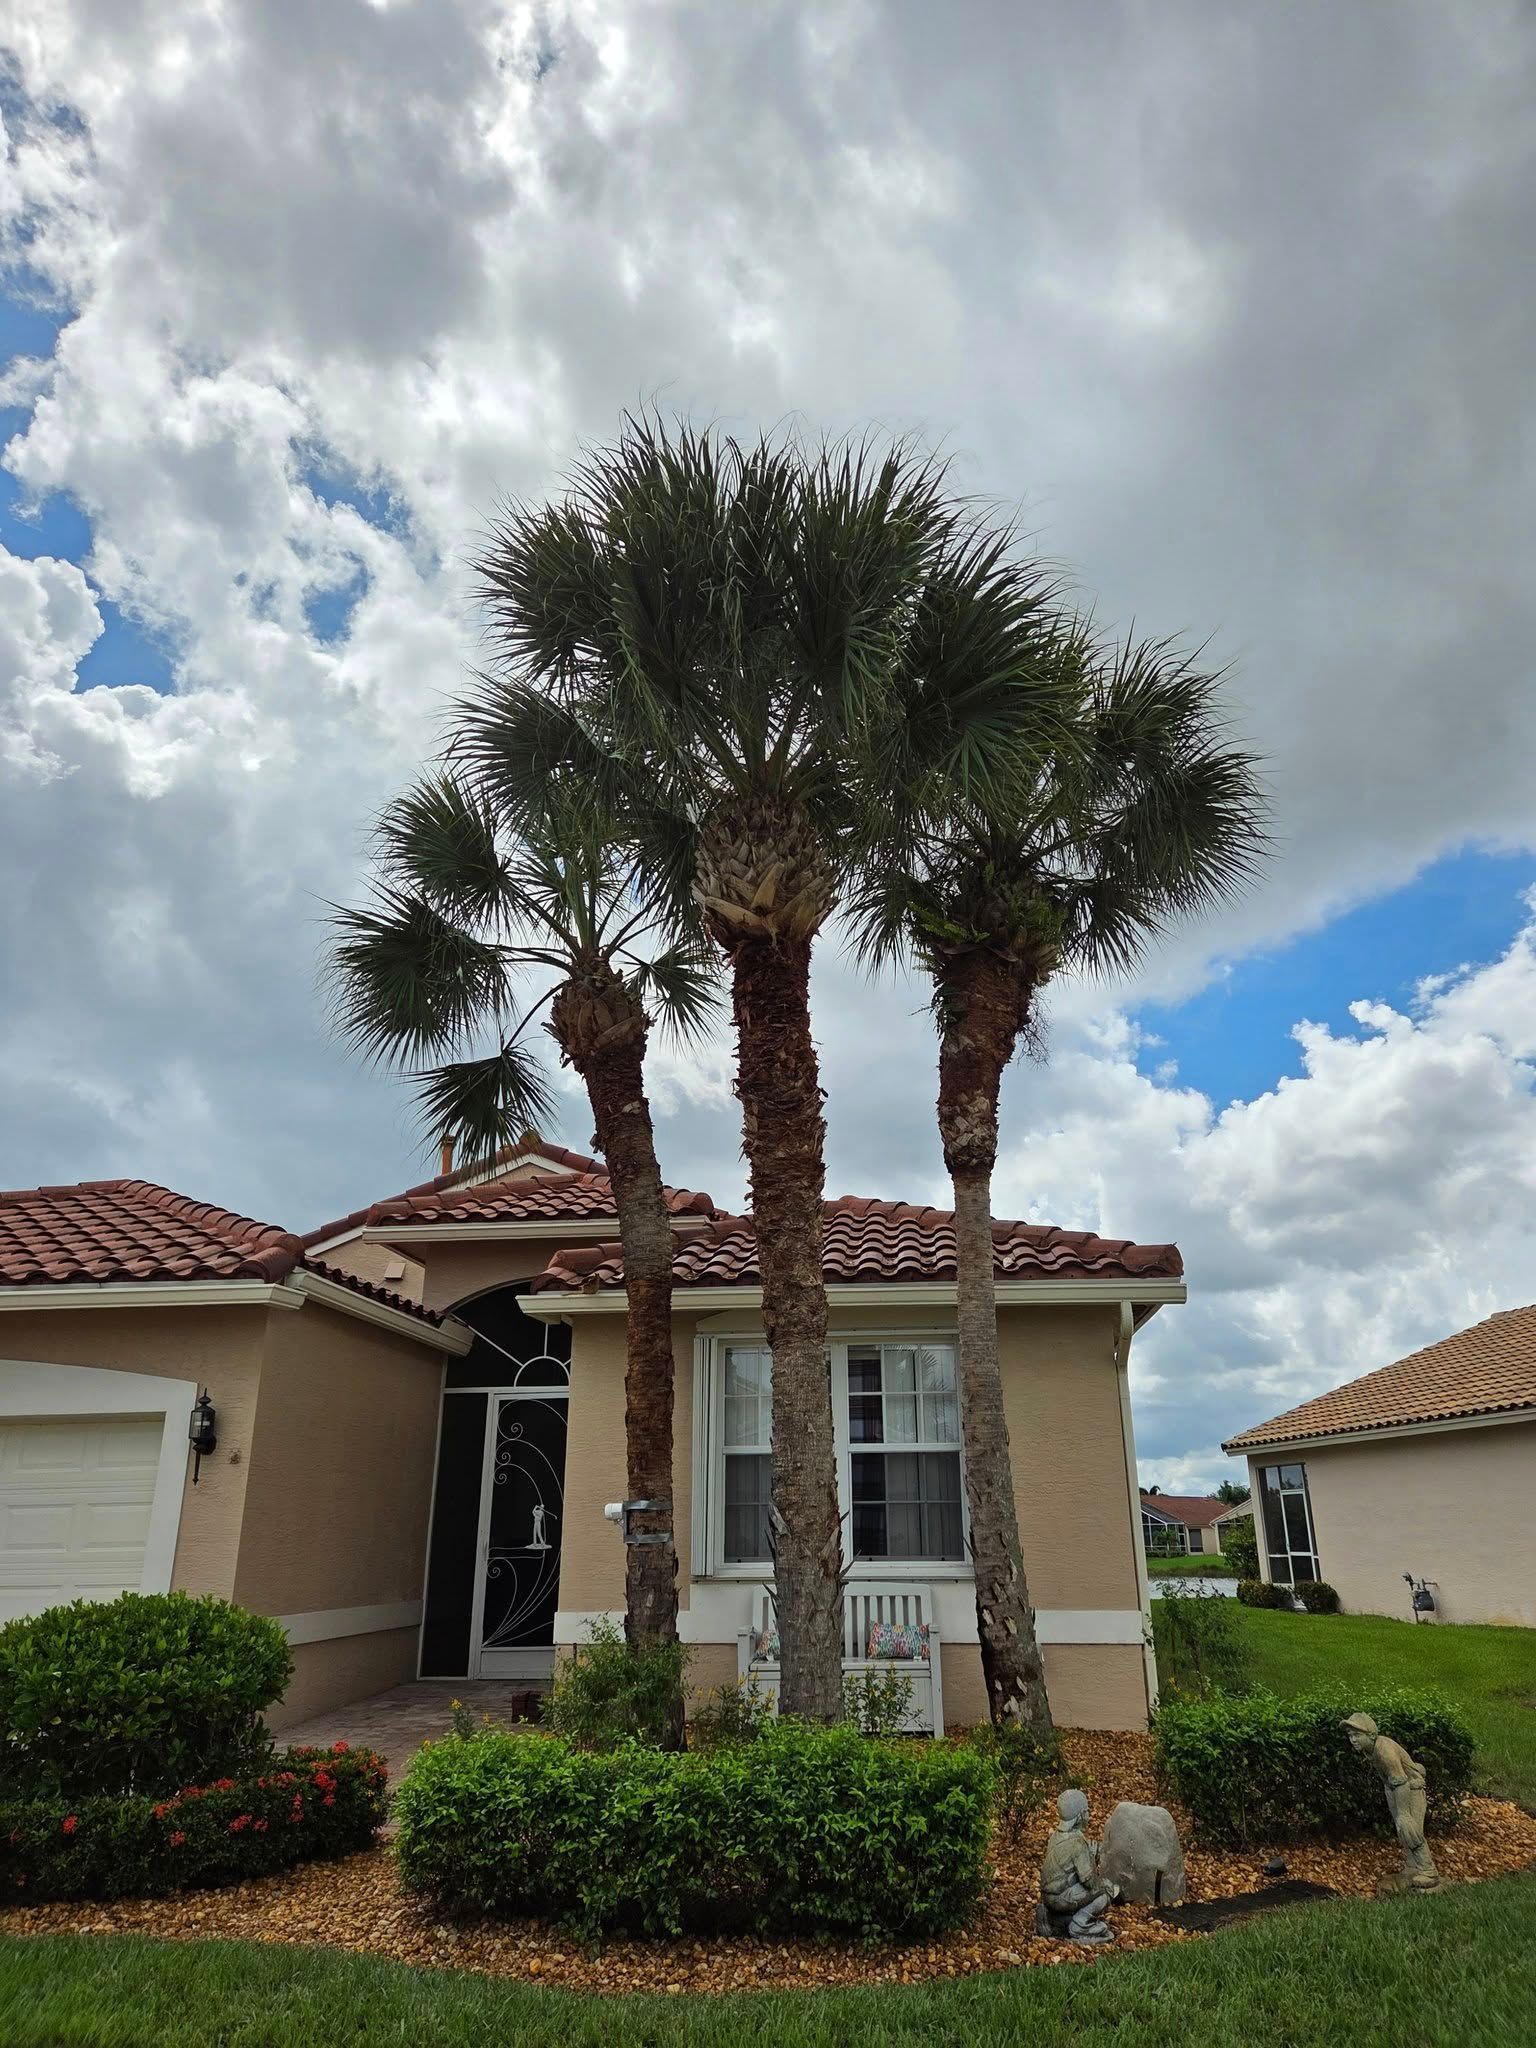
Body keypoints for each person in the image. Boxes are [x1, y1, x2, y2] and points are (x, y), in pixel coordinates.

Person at [1341, 1712, 1441, 1891]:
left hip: (1410, 1788)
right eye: (1350, 1736)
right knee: (1403, 1830)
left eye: (1357, 1735)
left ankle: (1429, 1871)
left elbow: (1401, 1780)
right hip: (1394, 1788)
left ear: (1370, 1735)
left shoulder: (1383, 1749)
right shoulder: (1369, 1749)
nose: (1353, 1740)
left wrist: (1403, 1813)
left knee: (1411, 1829)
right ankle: (1413, 1867)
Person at [1038, 1788, 1118, 1943]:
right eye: (1087, 1811)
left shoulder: (1055, 1836)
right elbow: (1089, 1882)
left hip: (1048, 1897)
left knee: (1089, 1890)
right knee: (1106, 1889)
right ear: (1080, 1815)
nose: (1089, 1816)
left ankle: (1054, 1920)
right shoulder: (1077, 1843)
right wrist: (1093, 1858)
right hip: (1061, 1899)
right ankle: (1080, 1926)